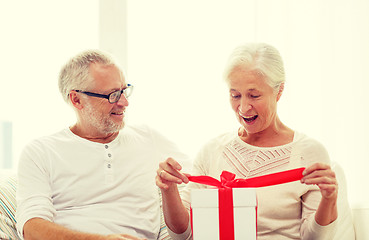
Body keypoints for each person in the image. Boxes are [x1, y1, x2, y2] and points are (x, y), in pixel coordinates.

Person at [156, 43, 351, 240]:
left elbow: (314, 238)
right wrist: (168, 190)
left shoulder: (309, 152)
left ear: (279, 91)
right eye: (235, 95)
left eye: (254, 95)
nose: (243, 107)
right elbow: (183, 235)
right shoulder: (212, 150)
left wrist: (329, 200)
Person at [16, 50, 188, 240]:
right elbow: (31, 228)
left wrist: (170, 188)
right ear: (77, 99)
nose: (124, 102)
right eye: (113, 95)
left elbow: (201, 186)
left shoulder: (149, 139)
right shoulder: (40, 152)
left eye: (124, 90)